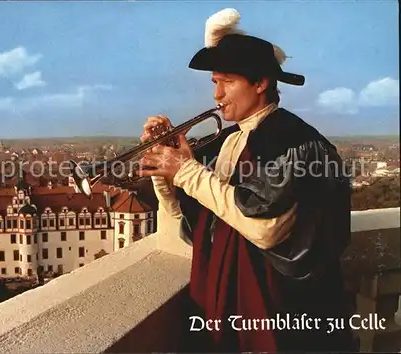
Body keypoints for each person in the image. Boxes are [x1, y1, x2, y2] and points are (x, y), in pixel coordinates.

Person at [138, 8, 357, 353]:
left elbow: (264, 227)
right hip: (233, 305)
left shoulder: (294, 141)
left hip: (283, 314)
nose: (216, 95)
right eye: (214, 83)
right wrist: (164, 171)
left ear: (260, 83)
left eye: (227, 81)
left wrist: (186, 171)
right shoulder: (228, 141)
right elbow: (199, 226)